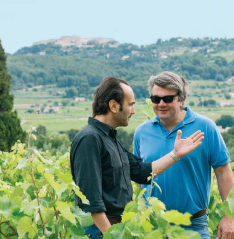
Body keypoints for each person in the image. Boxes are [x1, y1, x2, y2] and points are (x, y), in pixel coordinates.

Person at [70, 76, 204, 238]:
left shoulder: (109, 138)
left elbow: (142, 172)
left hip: (115, 230)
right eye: (130, 105)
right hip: (102, 232)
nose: (133, 111)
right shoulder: (90, 138)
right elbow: (92, 202)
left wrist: (175, 154)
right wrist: (111, 235)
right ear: (113, 106)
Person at [133, 71, 234, 239]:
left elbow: (223, 171)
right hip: (152, 227)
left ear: (181, 99)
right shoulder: (141, 132)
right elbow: (141, 176)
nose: (161, 104)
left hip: (193, 226)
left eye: (167, 99)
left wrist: (229, 217)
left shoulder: (206, 127)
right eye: (155, 99)